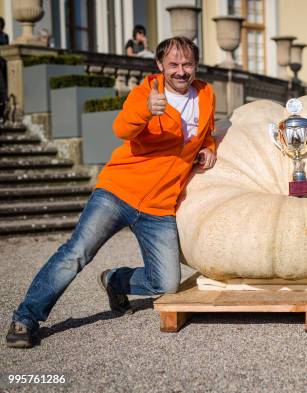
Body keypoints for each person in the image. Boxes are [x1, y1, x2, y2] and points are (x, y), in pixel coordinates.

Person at [6, 36, 217, 348]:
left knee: (168, 283)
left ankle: (116, 280)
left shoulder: (206, 94)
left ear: (195, 65)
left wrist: (209, 147)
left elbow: (205, 132)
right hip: (117, 192)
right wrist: (145, 111)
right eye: (173, 64)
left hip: (159, 207)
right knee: (76, 253)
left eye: (187, 64)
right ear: (160, 65)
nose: (181, 71)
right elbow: (121, 128)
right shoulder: (146, 92)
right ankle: (26, 318)